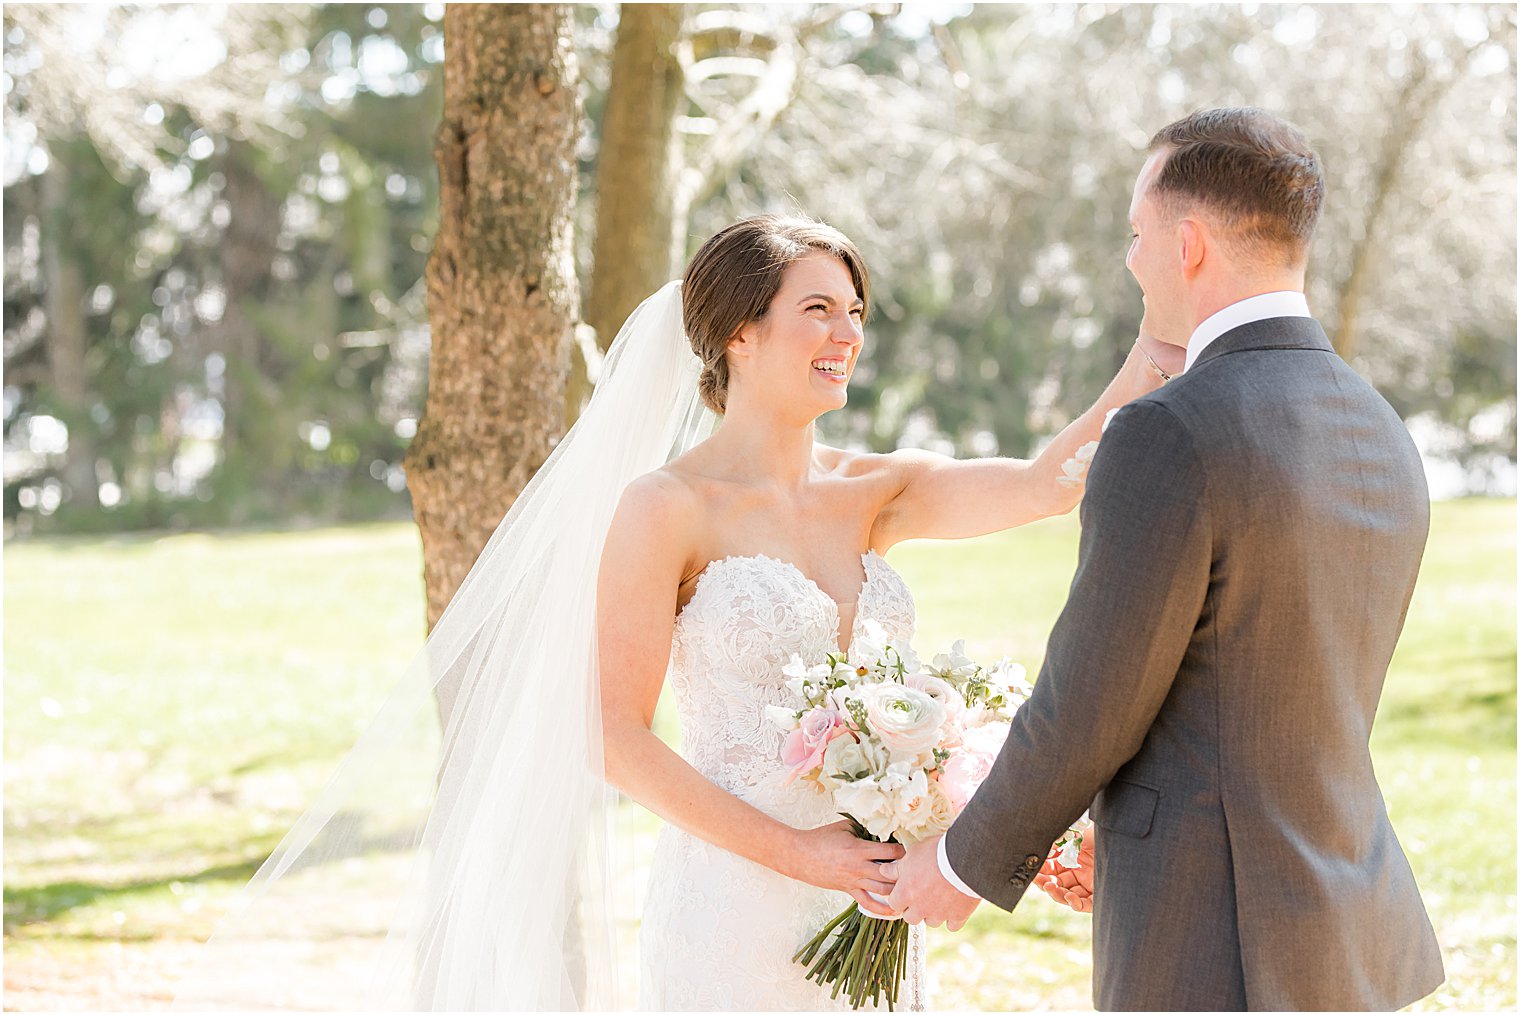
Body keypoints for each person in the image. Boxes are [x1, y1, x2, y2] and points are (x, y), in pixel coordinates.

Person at [883, 107, 1445, 1012]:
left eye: (1137, 235)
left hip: (1212, 938)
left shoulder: (1169, 433)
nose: (1132, 260)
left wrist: (960, 863)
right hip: (1350, 929)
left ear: (1187, 245)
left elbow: (1090, 700)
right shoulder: (1380, 428)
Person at [596, 214, 1176, 1010]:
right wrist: (801, 854)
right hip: (733, 908)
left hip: (874, 899)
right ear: (740, 331)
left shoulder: (876, 491)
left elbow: (1049, 483)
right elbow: (615, 737)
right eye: (819, 310)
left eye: (856, 312)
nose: (848, 333)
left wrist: (1158, 339)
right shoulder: (666, 506)